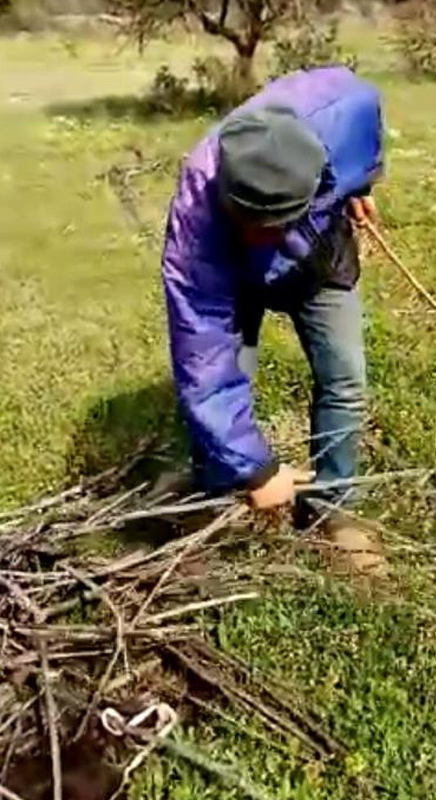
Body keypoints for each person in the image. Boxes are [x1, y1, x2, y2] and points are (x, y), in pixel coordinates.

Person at [161, 65, 383, 538]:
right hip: (234, 272)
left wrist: (357, 187)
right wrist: (257, 470)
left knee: (345, 377)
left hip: (321, 246)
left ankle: (332, 512)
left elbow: (361, 147)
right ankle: (224, 493)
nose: (270, 235)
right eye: (257, 223)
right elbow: (203, 356)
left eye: (279, 221)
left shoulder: (344, 110)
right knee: (231, 369)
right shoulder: (197, 221)